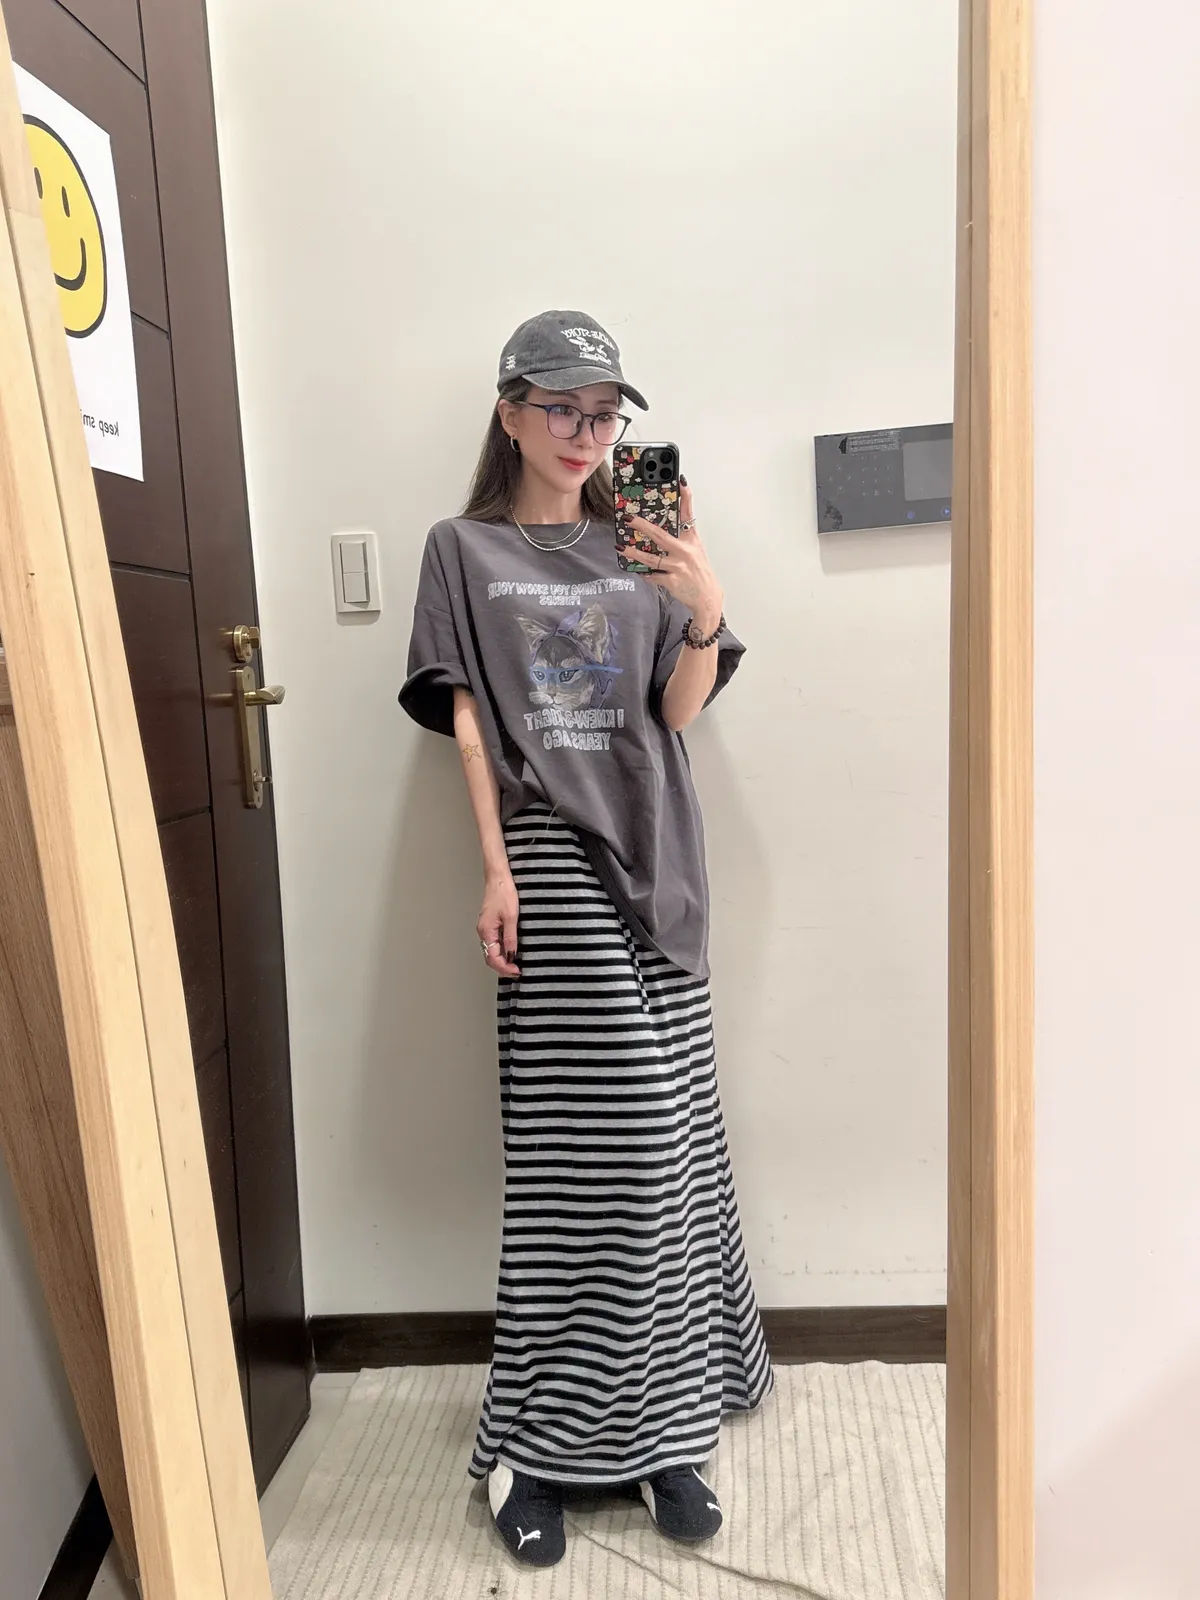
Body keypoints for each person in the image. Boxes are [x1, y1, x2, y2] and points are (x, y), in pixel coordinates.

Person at [399, 309, 773, 1569]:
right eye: (561, 407)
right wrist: (495, 866)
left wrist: (705, 609)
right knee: (591, 1160)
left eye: (605, 413)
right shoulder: (461, 549)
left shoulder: (641, 544)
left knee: (674, 1151)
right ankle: (536, 1447)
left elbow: (676, 711)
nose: (586, 433)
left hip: (662, 857)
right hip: (553, 863)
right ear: (509, 411)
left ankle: (663, 1431)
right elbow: (467, 720)